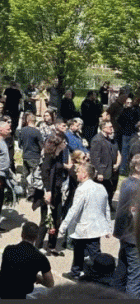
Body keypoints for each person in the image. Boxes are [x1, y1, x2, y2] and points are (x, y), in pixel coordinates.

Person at [58, 162, 112, 281]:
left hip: (84, 228)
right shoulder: (101, 187)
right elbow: (106, 208)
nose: (76, 173)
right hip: (96, 228)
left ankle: (92, 275)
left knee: (86, 253)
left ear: (85, 174)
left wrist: (63, 226)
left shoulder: (82, 189)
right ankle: (78, 272)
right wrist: (108, 226)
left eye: (78, 171)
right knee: (85, 251)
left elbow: (74, 210)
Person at [0, 221, 54, 299]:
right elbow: (50, 283)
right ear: (36, 237)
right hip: (20, 296)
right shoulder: (40, 258)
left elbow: (15, 269)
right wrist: (38, 278)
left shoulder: (8, 249)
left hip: (2, 293)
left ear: (22, 234)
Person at [111, 154, 140, 297]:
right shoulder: (137, 187)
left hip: (124, 235)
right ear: (137, 167)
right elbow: (134, 212)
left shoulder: (126, 183)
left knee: (121, 271)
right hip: (134, 238)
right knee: (135, 277)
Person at [39, 132, 69, 255]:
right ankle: (38, 245)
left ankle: (52, 245)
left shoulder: (59, 155)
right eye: (63, 142)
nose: (66, 144)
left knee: (57, 219)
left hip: (58, 191)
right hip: (49, 191)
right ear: (58, 144)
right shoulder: (49, 156)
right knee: (46, 220)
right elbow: (45, 174)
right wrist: (48, 191)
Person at [90, 120, 121, 210]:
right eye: (110, 127)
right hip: (103, 171)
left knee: (110, 190)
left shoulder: (110, 139)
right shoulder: (97, 140)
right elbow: (95, 158)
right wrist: (99, 172)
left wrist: (117, 164)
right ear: (103, 128)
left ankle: (108, 206)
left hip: (110, 170)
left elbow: (117, 152)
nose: (112, 128)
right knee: (101, 192)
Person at [18, 112, 45, 197]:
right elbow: (41, 146)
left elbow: (19, 144)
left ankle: (22, 191)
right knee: (33, 176)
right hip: (35, 156)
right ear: (35, 121)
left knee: (24, 175)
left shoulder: (22, 130)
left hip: (25, 155)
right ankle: (31, 194)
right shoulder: (37, 132)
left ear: (27, 120)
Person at [118, 97, 140, 175]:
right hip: (126, 134)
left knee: (132, 152)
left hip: (132, 134)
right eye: (128, 103)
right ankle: (123, 169)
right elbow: (119, 121)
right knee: (124, 152)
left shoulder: (134, 111)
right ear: (125, 103)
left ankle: (130, 169)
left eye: (130, 103)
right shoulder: (123, 111)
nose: (129, 104)